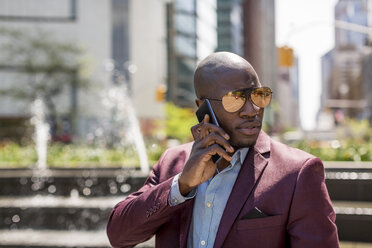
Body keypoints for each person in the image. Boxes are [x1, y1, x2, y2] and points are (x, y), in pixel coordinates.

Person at [106, 52, 339, 248]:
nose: (252, 110)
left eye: (258, 95)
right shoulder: (172, 162)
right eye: (235, 99)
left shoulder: (298, 172)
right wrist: (182, 185)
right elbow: (119, 235)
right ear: (202, 107)